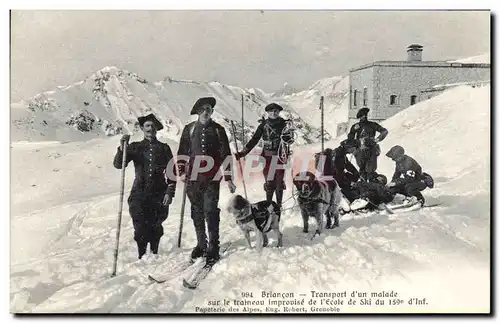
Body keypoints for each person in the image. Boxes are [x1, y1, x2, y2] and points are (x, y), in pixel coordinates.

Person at [177, 97, 237, 265]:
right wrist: (181, 172)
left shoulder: (218, 130)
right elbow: (182, 152)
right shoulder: (189, 129)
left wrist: (229, 178)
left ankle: (213, 246)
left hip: (212, 177)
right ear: (197, 111)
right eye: (202, 109)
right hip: (192, 178)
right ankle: (201, 244)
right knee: (196, 211)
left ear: (212, 111)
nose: (206, 111)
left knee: (210, 210)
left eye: (209, 109)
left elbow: (226, 155)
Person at [113, 113, 176, 260]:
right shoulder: (135, 147)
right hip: (139, 193)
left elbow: (172, 173)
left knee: (156, 224)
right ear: (142, 128)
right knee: (140, 224)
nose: (150, 129)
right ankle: (141, 255)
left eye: (153, 126)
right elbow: (118, 164)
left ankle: (154, 253)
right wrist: (122, 148)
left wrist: (169, 192)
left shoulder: (164, 148)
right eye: (147, 126)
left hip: (159, 193)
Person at [234, 103, 293, 208]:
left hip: (280, 156)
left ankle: (279, 206)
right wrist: (243, 152)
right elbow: (254, 140)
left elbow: (290, 141)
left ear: (279, 112)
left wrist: (288, 136)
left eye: (276, 111)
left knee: (279, 183)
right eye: (271, 111)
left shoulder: (284, 125)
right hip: (267, 157)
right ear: (267, 113)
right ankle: (269, 205)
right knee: (269, 182)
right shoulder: (263, 125)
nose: (274, 113)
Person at [347, 108, 388, 181]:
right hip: (360, 151)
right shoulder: (355, 126)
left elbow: (384, 131)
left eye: (365, 115)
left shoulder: (372, 125)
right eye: (362, 116)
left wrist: (377, 140)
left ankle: (372, 186)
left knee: (370, 171)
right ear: (360, 117)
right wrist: (354, 145)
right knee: (362, 170)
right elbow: (350, 138)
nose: (364, 117)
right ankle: (363, 187)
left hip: (371, 150)